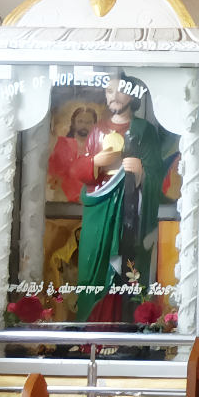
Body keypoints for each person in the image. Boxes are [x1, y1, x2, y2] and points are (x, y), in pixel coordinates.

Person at [76, 73, 178, 323]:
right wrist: (94, 163)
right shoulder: (98, 130)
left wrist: (142, 173)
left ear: (132, 95)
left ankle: (124, 333)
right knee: (94, 270)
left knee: (127, 270)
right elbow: (78, 170)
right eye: (108, 91)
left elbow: (156, 175)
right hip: (99, 212)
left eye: (119, 90)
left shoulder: (144, 131)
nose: (113, 96)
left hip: (130, 213)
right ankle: (92, 334)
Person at [46, 105, 97, 203]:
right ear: (73, 123)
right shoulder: (63, 144)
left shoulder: (98, 147)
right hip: (63, 200)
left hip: (90, 200)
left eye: (88, 122)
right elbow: (52, 172)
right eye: (80, 121)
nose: (84, 125)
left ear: (94, 124)